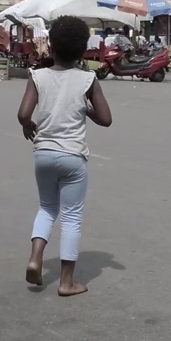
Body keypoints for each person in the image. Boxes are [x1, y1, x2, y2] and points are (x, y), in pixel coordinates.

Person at [18, 17, 113, 297]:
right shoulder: (88, 79)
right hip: (72, 156)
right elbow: (106, 119)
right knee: (71, 216)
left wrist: (28, 125)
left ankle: (35, 257)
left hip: (44, 153)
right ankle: (66, 282)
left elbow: (23, 114)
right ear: (83, 49)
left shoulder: (38, 76)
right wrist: (86, 108)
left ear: (51, 45)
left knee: (47, 208)